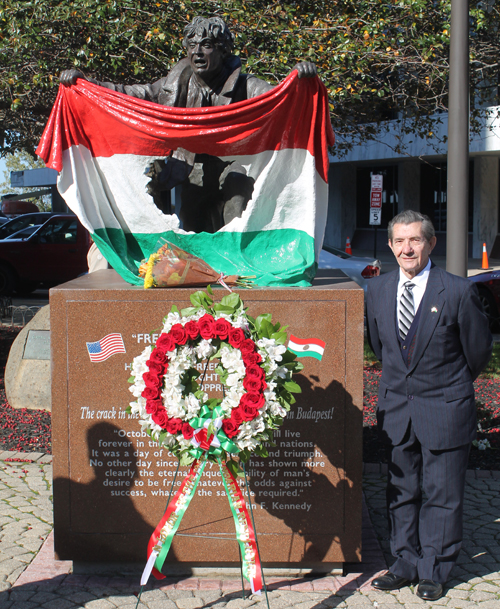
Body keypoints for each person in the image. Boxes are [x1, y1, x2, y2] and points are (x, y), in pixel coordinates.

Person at [60, 16, 316, 233]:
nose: (197, 52)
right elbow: (133, 93)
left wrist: (298, 81)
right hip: (191, 168)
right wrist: (90, 85)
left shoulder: (245, 84)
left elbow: (278, 97)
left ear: (223, 50)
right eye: (192, 45)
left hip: (232, 165)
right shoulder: (174, 84)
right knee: (192, 226)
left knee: (236, 204)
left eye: (206, 45)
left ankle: (238, 262)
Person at [366, 210, 492, 601]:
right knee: (400, 491)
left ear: (431, 243)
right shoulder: (377, 290)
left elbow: (478, 352)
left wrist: (449, 389)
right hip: (397, 412)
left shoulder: (457, 291)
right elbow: (379, 345)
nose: (407, 249)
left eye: (415, 240)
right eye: (399, 241)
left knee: (442, 493)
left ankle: (434, 568)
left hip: (444, 408)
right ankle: (404, 563)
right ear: (390, 245)